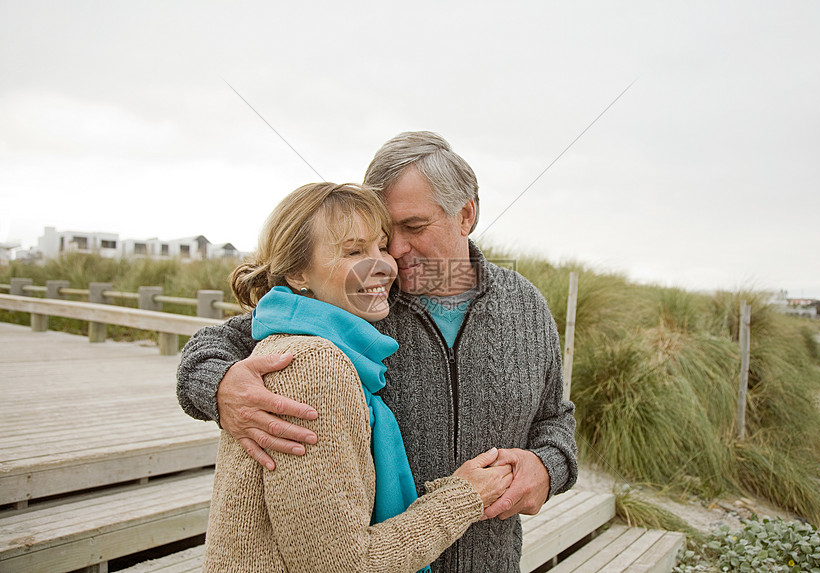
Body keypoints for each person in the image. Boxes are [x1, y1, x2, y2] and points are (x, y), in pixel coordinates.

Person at [178, 131, 578, 573]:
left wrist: (547, 467)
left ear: (466, 215)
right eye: (386, 235)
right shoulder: (359, 301)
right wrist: (219, 385)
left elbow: (554, 418)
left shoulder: (527, 306)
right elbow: (225, 340)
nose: (395, 252)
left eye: (414, 227)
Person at [202, 182, 513, 572]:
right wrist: (465, 497)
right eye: (354, 251)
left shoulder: (305, 339)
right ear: (299, 272)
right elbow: (342, 565)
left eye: (381, 246)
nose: (384, 263)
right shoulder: (314, 368)